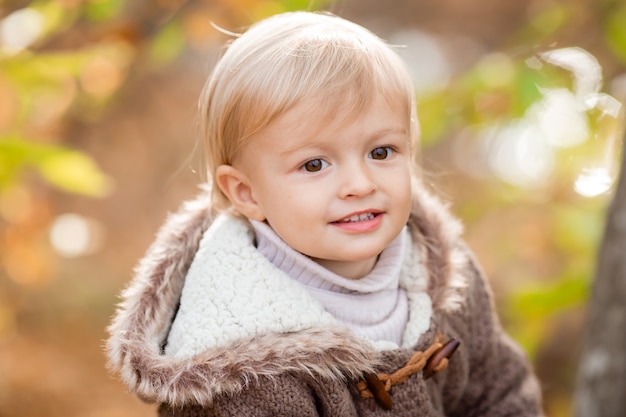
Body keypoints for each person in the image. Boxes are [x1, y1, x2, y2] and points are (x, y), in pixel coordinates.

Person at [106, 11, 544, 416]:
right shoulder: (246, 367)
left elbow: (500, 391)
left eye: (381, 151)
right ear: (247, 193)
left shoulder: (441, 279)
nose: (360, 184)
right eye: (314, 164)